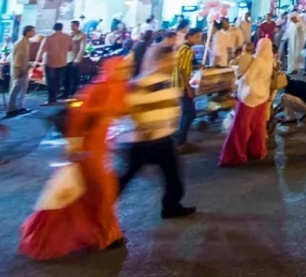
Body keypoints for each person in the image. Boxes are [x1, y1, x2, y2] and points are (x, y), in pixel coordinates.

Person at [18, 57, 132, 260]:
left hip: (101, 147)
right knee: (102, 192)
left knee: (90, 195)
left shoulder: (118, 87)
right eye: (123, 67)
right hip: (88, 150)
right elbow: (78, 117)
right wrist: (74, 146)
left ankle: (103, 235)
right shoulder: (98, 88)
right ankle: (105, 235)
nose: (126, 70)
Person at [117, 45, 196, 219]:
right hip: (146, 140)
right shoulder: (144, 82)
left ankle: (171, 206)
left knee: (172, 175)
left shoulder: (166, 80)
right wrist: (144, 127)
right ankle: (101, 204)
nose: (172, 63)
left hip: (163, 138)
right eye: (169, 60)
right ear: (159, 60)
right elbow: (132, 105)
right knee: (127, 176)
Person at [219, 37, 275, 166]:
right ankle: (257, 151)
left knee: (241, 128)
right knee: (258, 127)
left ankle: (236, 155)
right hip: (262, 97)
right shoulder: (270, 60)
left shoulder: (258, 61)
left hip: (249, 97)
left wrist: (239, 79)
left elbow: (248, 78)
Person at [173, 29, 201, 148]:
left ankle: (181, 137)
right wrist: (188, 88)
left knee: (187, 111)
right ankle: (180, 140)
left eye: (199, 37)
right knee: (190, 112)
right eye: (196, 37)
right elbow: (182, 70)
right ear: (189, 37)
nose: (198, 39)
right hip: (182, 85)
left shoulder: (183, 49)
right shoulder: (187, 51)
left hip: (179, 84)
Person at [36, 23, 73, 105]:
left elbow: (41, 50)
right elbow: (71, 48)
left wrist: (36, 61)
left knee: (51, 82)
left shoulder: (48, 38)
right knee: (58, 81)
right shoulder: (68, 37)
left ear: (53, 28)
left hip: (50, 62)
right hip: (63, 61)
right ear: (62, 28)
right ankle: (55, 98)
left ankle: (51, 100)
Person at [6, 26, 36, 118]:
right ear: (27, 32)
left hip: (24, 68)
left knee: (23, 89)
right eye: (33, 31)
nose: (34, 33)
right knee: (16, 89)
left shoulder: (27, 43)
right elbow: (17, 59)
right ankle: (11, 109)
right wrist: (19, 69)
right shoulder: (20, 44)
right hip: (19, 69)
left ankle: (20, 107)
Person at [66, 20, 88, 98]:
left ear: (77, 26)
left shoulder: (82, 35)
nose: (71, 27)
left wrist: (78, 59)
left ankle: (73, 91)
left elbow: (82, 48)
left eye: (73, 25)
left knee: (74, 76)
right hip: (67, 57)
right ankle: (66, 92)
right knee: (67, 76)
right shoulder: (69, 35)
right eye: (71, 26)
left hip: (75, 57)